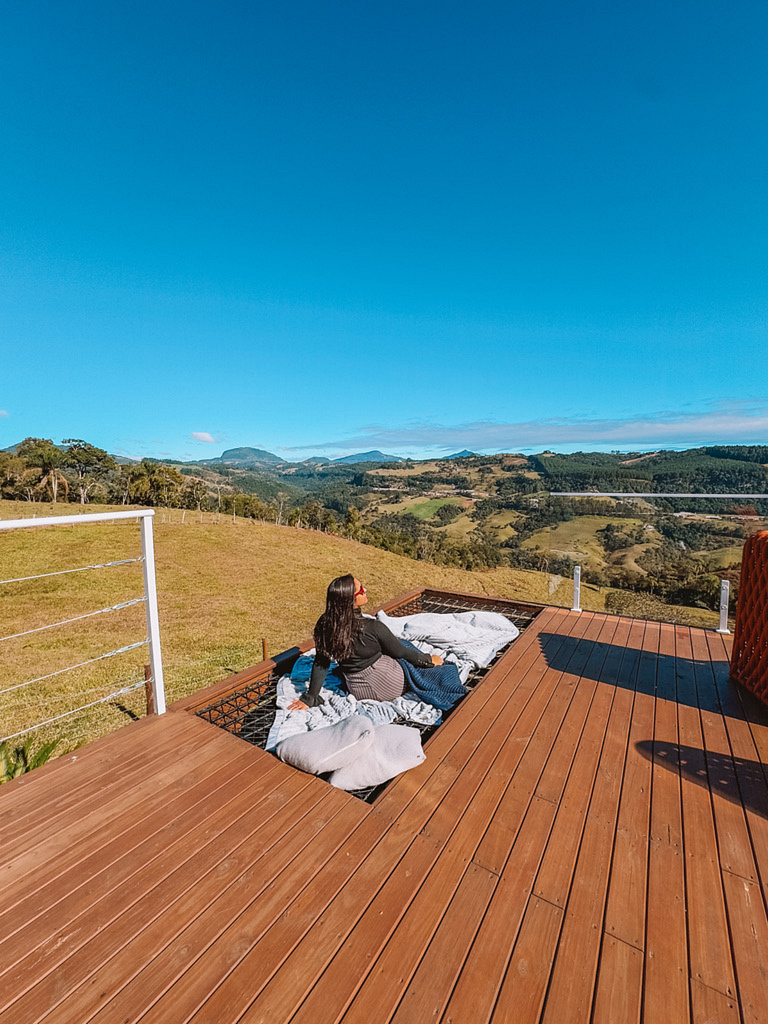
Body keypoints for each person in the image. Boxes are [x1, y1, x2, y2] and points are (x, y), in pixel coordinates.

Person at [288, 574, 443, 710]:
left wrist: (311, 697)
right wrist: (429, 660)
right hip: (389, 684)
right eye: (361, 590)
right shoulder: (372, 627)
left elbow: (321, 662)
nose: (366, 590)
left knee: (396, 646)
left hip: (358, 689)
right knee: (406, 649)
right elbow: (399, 652)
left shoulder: (326, 624)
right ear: (351, 600)